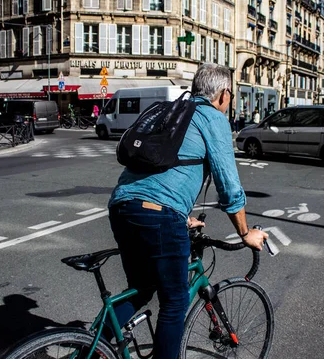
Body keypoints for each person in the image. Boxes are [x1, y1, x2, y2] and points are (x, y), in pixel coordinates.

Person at [107, 64, 269, 359]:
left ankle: (95, 344)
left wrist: (180, 216)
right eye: (230, 97)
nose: (229, 103)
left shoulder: (172, 111)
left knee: (142, 287)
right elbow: (229, 187)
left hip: (122, 206)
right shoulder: (212, 117)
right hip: (158, 214)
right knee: (175, 302)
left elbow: (163, 170)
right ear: (223, 94)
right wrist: (245, 233)